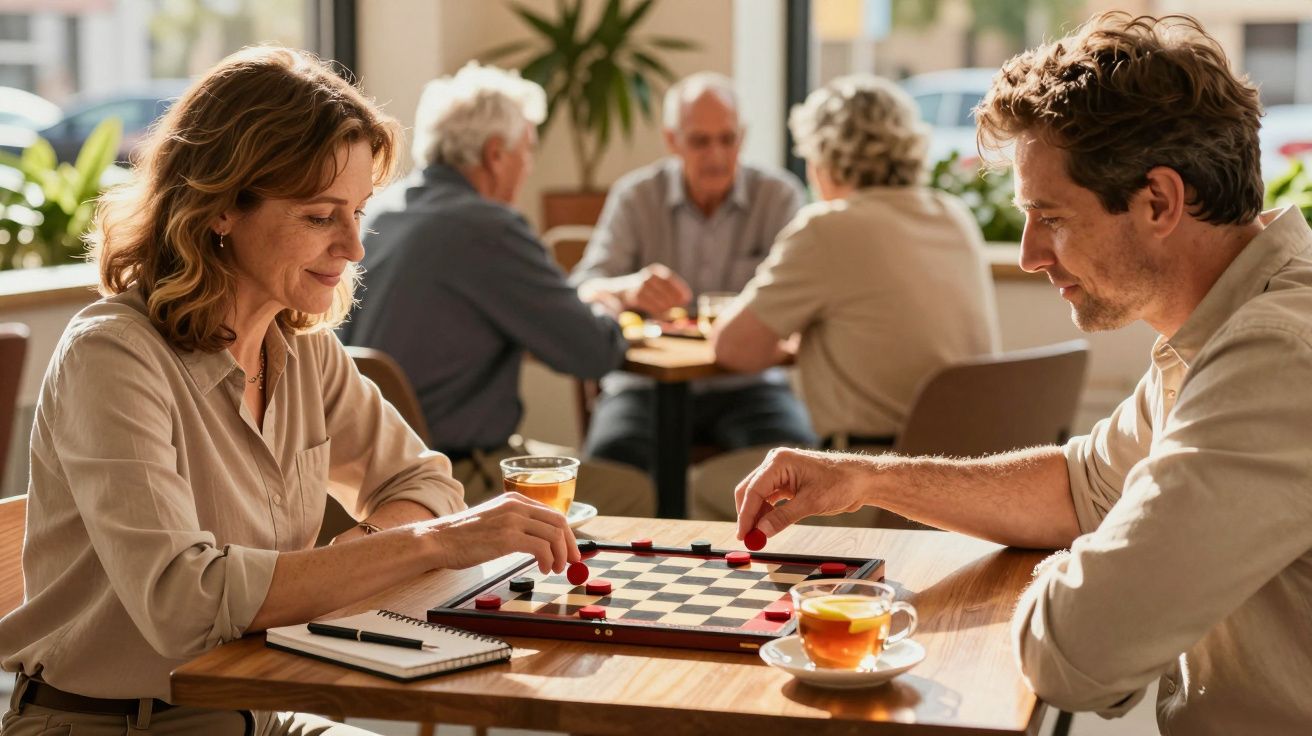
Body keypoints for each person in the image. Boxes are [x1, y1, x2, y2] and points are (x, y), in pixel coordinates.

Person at [732, 13, 1312, 734]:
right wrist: (865, 478)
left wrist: (1086, 573)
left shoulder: (1276, 354)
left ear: (1160, 202)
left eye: (1051, 217)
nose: (1030, 255)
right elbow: (1080, 489)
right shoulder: (1224, 326)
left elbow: (1078, 648)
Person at [0, 47, 581, 736]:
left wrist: (355, 556)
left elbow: (425, 483)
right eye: (320, 216)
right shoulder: (113, 357)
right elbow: (184, 604)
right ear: (221, 208)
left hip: (263, 709)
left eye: (358, 211)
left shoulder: (303, 348)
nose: (354, 247)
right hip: (118, 726)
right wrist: (428, 545)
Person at [341, 63, 654, 516]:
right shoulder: (488, 227)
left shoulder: (381, 211)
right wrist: (608, 306)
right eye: (527, 151)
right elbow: (592, 352)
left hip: (357, 471)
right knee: (636, 491)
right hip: (445, 472)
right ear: (495, 155)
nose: (529, 167)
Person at [706, 74, 999, 522]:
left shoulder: (828, 227)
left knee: (702, 484)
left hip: (871, 482)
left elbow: (732, 347)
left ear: (824, 159)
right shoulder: (952, 215)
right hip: (968, 478)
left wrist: (796, 344)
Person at [570, 72, 818, 473]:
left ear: (743, 136)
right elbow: (582, 288)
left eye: (728, 139)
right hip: (646, 387)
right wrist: (627, 289)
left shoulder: (778, 196)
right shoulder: (636, 196)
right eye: (700, 141)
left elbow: (805, 301)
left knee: (798, 469)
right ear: (672, 140)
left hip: (748, 386)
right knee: (611, 471)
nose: (716, 155)